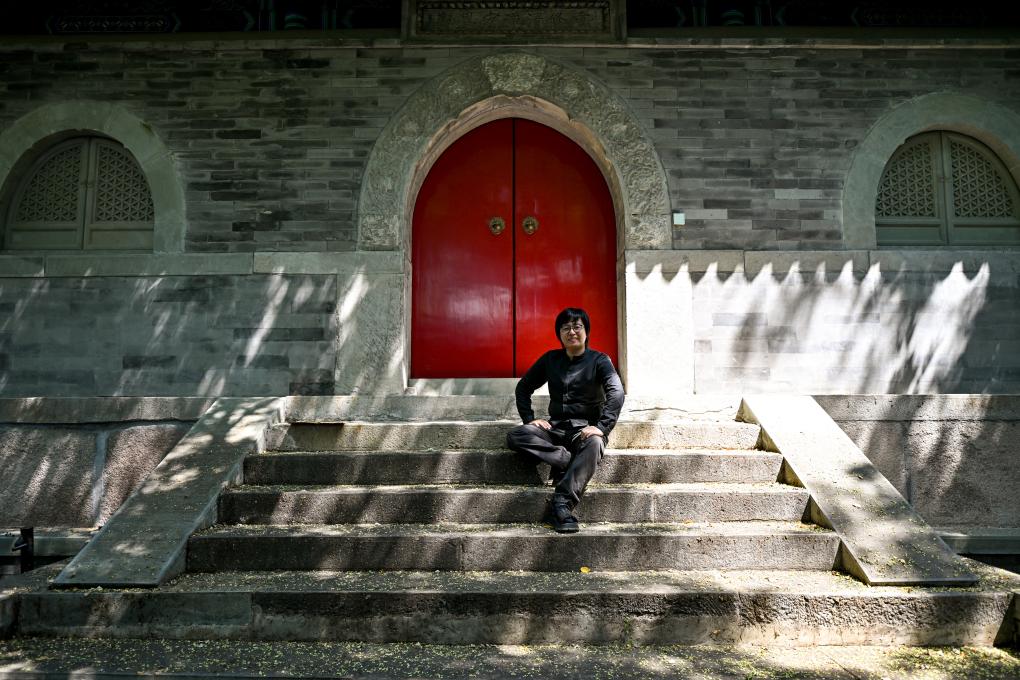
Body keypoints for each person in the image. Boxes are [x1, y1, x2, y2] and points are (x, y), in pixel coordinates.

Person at [506, 307, 625, 533]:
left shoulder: (600, 360)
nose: (571, 332)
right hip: (555, 430)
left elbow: (616, 392)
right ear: (559, 334)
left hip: (584, 431)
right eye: (566, 328)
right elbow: (523, 388)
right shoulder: (551, 359)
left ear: (586, 332)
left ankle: (562, 504)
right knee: (517, 435)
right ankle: (565, 459)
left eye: (577, 327)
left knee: (595, 443)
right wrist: (529, 419)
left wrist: (602, 427)